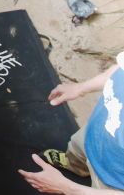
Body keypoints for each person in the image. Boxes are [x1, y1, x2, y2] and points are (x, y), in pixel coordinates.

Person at [18, 52, 124, 194]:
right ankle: (75, 165)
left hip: (111, 180)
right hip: (93, 133)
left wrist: (66, 187)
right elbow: (119, 69)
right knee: (76, 151)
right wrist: (81, 88)